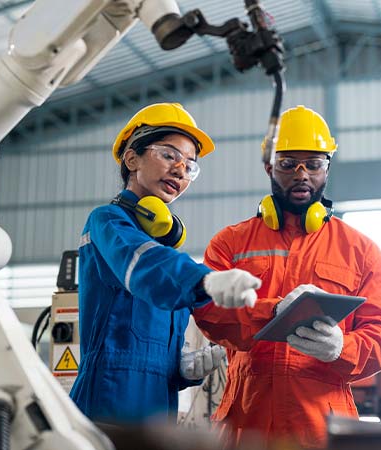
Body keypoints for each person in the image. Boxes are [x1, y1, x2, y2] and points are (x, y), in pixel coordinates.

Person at [192, 105, 381, 448]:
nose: (301, 174)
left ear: (328, 168)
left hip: (322, 429)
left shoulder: (360, 250)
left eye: (314, 164)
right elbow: (208, 312)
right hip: (247, 424)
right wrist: (272, 313)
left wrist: (343, 349)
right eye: (288, 164)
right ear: (269, 168)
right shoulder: (230, 244)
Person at [70, 102, 262, 424]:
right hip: (108, 401)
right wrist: (205, 280)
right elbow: (143, 266)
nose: (180, 170)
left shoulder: (164, 251)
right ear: (132, 158)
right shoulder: (107, 223)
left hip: (159, 406)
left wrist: (182, 370)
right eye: (169, 155)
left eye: (190, 165)